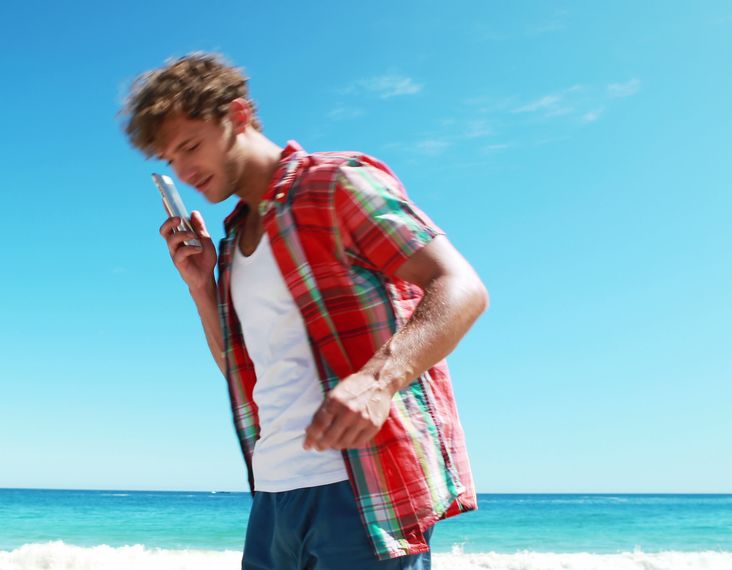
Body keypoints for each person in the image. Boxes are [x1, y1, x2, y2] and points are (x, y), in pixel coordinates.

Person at [121, 53, 488, 569]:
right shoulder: (229, 246)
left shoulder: (336, 185)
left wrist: (379, 379)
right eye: (170, 160)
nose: (184, 171)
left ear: (239, 116)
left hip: (360, 496)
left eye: (190, 146)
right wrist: (203, 288)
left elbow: (461, 285)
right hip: (273, 499)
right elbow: (243, 374)